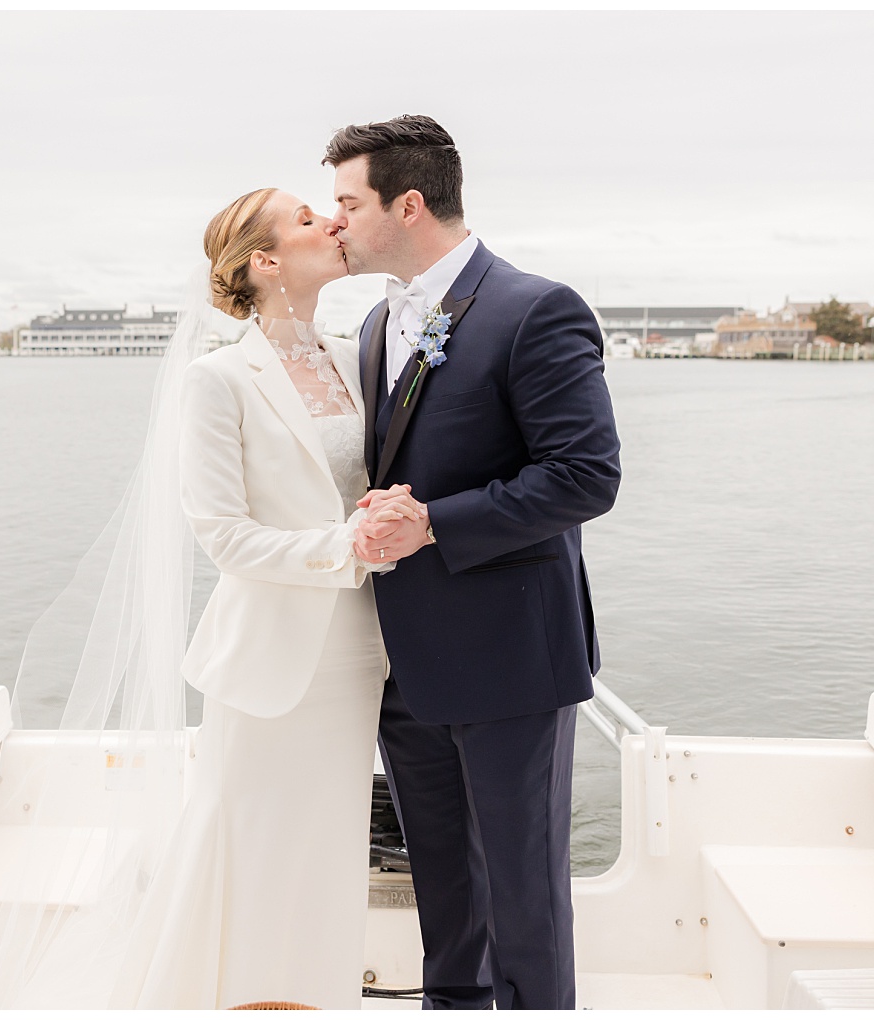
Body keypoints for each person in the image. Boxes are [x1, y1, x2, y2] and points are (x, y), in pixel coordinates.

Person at [323, 114, 622, 1010]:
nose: (333, 221)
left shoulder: (536, 309)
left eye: (347, 201)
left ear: (407, 203)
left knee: (523, 894)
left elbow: (585, 476)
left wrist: (434, 525)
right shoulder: (377, 324)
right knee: (443, 891)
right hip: (401, 661)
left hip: (510, 659)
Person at [104, 187, 427, 1008]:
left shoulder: (361, 356)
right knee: (250, 851)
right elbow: (225, 536)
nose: (334, 223)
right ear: (267, 261)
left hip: (360, 656)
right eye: (311, 218)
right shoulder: (218, 380)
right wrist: (346, 546)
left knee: (324, 856)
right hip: (271, 665)